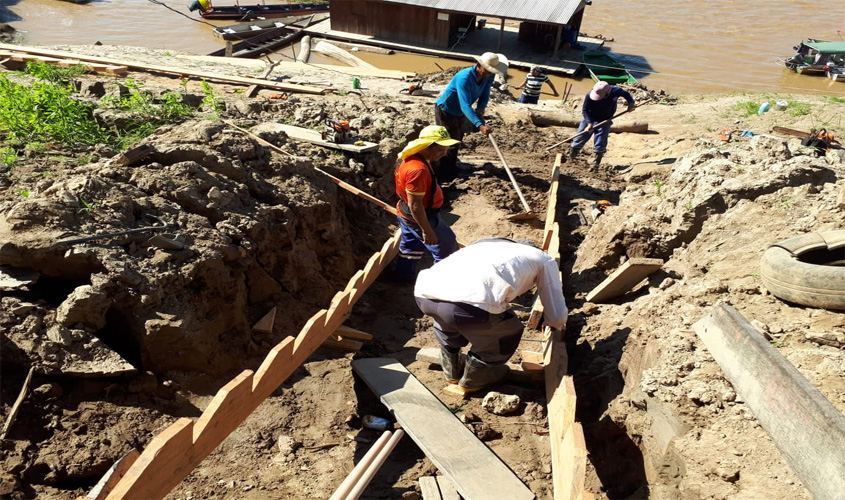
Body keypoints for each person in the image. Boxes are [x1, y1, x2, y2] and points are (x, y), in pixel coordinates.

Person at [414, 238, 569, 393]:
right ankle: (473, 380)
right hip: (468, 304)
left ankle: (451, 372)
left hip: (424, 295)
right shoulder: (542, 258)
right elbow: (555, 311)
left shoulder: (482, 246)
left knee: (446, 322)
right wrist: (554, 325)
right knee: (507, 331)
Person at [392, 125, 462, 282]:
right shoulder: (418, 169)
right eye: (440, 150)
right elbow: (416, 205)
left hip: (405, 214)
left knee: (410, 247)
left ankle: (403, 277)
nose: (444, 154)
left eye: (446, 150)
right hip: (422, 216)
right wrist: (427, 230)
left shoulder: (408, 157)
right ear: (426, 146)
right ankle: (441, 286)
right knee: (447, 248)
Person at [434, 52, 508, 178]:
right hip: (446, 110)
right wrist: (479, 125)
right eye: (487, 70)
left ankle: (451, 167)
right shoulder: (464, 77)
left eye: (492, 71)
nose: (489, 74)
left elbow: (485, 93)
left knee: (457, 139)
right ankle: (442, 173)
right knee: (448, 142)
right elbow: (465, 105)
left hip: (460, 112)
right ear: (479, 65)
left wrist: (480, 108)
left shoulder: (488, 76)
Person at [570, 81, 636, 169]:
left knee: (600, 140)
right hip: (590, 118)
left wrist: (631, 103)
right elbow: (585, 110)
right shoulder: (589, 95)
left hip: (605, 119)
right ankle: (572, 156)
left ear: (607, 93)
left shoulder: (616, 91)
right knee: (581, 136)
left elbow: (626, 94)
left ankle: (596, 163)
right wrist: (589, 123)